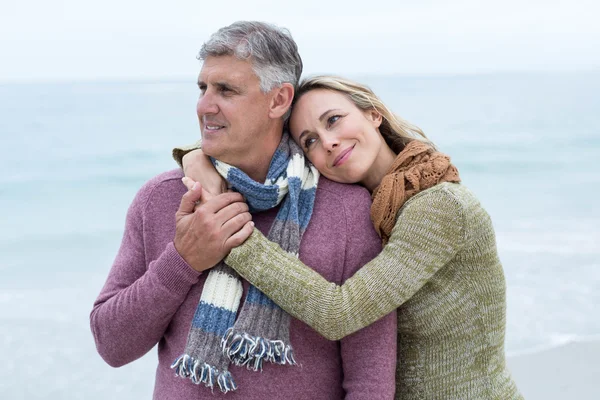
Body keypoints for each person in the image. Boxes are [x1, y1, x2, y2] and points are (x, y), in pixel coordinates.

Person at [90, 22, 397, 399]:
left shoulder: (347, 211)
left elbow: (371, 381)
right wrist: (183, 260)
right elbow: (111, 345)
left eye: (226, 90)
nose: (205, 105)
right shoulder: (162, 198)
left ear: (279, 100)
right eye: (202, 88)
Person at [177, 75, 524, 399]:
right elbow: (261, 151)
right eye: (309, 140)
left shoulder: (436, 206)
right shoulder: (371, 207)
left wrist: (230, 234)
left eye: (334, 120)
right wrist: (196, 157)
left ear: (374, 115)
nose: (328, 142)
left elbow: (339, 313)